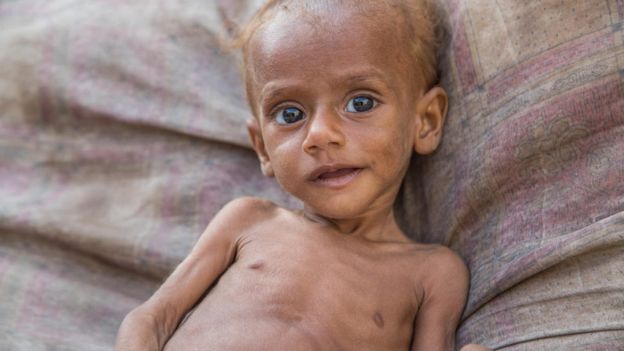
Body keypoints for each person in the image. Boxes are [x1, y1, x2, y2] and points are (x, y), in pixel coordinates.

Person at [115, 0, 490, 350]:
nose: (319, 135)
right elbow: (152, 319)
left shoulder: (431, 273)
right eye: (290, 114)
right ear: (263, 147)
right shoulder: (248, 221)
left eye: (360, 103)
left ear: (425, 122)